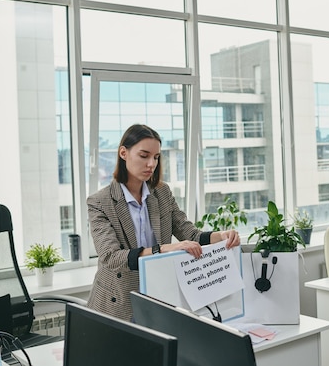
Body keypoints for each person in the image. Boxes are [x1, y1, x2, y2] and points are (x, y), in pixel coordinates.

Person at [86, 124, 241, 321]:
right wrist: (165, 249)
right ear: (123, 153)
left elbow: (190, 235)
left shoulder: (162, 193)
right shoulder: (100, 201)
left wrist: (221, 236)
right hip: (116, 303)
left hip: (158, 295)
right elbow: (111, 257)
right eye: (144, 156)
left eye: (156, 157)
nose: (151, 164)